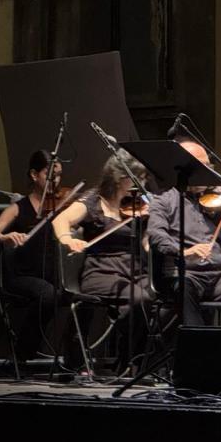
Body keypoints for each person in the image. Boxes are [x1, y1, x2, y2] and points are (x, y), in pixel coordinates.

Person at [53, 152, 153, 369]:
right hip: (101, 270)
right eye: (138, 178)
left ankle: (131, 360)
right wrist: (67, 239)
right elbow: (61, 220)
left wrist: (151, 236)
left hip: (134, 269)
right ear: (120, 178)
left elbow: (145, 241)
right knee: (140, 299)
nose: (143, 184)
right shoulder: (94, 200)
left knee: (159, 297)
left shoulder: (137, 205)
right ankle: (128, 361)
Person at [146, 141, 221, 326]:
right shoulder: (163, 201)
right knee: (184, 287)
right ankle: (197, 342)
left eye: (208, 167)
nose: (208, 173)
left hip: (219, 277)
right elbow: (157, 237)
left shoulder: (219, 201)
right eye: (202, 167)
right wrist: (185, 252)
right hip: (186, 275)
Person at [0, 151, 63, 360]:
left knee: (81, 295)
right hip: (22, 276)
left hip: (53, 276)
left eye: (59, 176)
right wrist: (5, 237)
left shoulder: (60, 207)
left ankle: (75, 360)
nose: (56, 181)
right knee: (48, 294)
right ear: (34, 175)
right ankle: (23, 351)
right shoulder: (18, 208)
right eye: (49, 175)